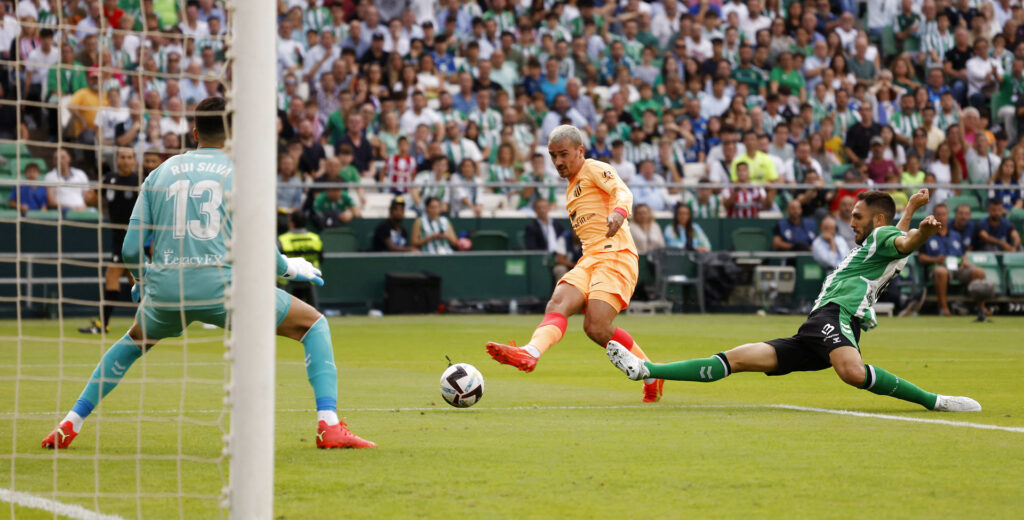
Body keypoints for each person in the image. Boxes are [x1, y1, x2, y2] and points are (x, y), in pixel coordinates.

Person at [42, 97, 375, 450]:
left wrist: (142, 281)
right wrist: (290, 267)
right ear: (231, 133)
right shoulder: (242, 172)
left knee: (130, 343)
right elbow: (262, 248)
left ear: (195, 131)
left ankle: (70, 423)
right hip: (225, 290)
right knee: (314, 325)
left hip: (169, 290)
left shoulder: (160, 172)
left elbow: (128, 250)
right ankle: (329, 426)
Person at [606, 190, 982, 413]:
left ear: (877, 218)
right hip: (831, 320)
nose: (851, 221)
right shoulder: (880, 238)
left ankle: (648, 370)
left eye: (856, 216)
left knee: (737, 360)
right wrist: (914, 220)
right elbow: (900, 241)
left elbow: (902, 242)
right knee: (851, 372)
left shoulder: (881, 236)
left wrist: (919, 229)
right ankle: (936, 401)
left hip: (825, 323)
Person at [484, 125, 665, 402]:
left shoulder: (593, 168)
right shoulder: (571, 189)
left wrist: (618, 213)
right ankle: (530, 353)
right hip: (590, 258)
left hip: (616, 253)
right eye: (553, 156)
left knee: (596, 326)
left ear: (580, 151)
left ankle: (652, 373)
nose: (557, 162)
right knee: (558, 301)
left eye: (563, 154)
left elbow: (621, 190)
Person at [79, 148, 140, 335]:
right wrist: (88, 198)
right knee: (136, 281)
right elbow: (93, 200)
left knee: (112, 276)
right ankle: (153, 319)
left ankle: (102, 325)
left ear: (135, 160)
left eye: (130, 157)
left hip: (134, 236)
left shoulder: (139, 181)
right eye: (122, 157)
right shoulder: (110, 179)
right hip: (117, 236)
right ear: (116, 159)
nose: (126, 160)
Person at [918, 203, 987, 316]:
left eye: (944, 214)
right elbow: (921, 257)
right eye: (938, 214)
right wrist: (935, 259)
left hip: (958, 268)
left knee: (979, 271)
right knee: (941, 271)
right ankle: (944, 308)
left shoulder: (956, 235)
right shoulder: (927, 235)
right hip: (938, 267)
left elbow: (963, 253)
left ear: (948, 216)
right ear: (934, 217)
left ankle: (981, 308)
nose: (941, 217)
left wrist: (965, 261)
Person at [278, 210, 324, 307]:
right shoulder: (315, 238)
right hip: (311, 277)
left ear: (292, 223)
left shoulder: (282, 239)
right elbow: (321, 258)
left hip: (286, 279)